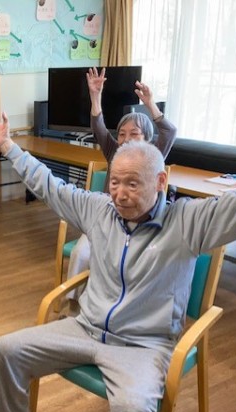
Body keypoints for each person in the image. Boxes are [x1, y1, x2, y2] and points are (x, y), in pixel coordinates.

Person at [0, 111, 236, 412]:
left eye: (132, 184)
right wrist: (7, 144)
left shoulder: (188, 222)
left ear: (160, 182)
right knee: (6, 352)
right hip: (85, 329)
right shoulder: (99, 210)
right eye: (114, 183)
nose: (120, 195)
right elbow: (49, 186)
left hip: (143, 346)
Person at [63, 68, 178, 313]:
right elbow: (98, 126)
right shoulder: (115, 151)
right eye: (122, 134)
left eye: (134, 134)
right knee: (81, 253)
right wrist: (95, 96)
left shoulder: (153, 155)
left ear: (147, 139)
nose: (126, 139)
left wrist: (150, 104)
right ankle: (72, 306)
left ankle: (111, 306)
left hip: (138, 227)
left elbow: (169, 132)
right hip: (106, 218)